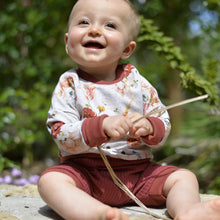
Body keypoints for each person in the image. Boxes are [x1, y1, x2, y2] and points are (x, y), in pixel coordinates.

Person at [37, 0, 220, 219]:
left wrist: (148, 127)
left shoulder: (137, 83)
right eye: (84, 22)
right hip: (85, 173)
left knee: (184, 177)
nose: (94, 30)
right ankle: (94, 213)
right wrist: (101, 126)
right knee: (50, 181)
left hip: (139, 174)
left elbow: (162, 118)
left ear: (127, 48)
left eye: (110, 25)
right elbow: (61, 133)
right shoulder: (70, 83)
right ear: (68, 43)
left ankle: (187, 211)